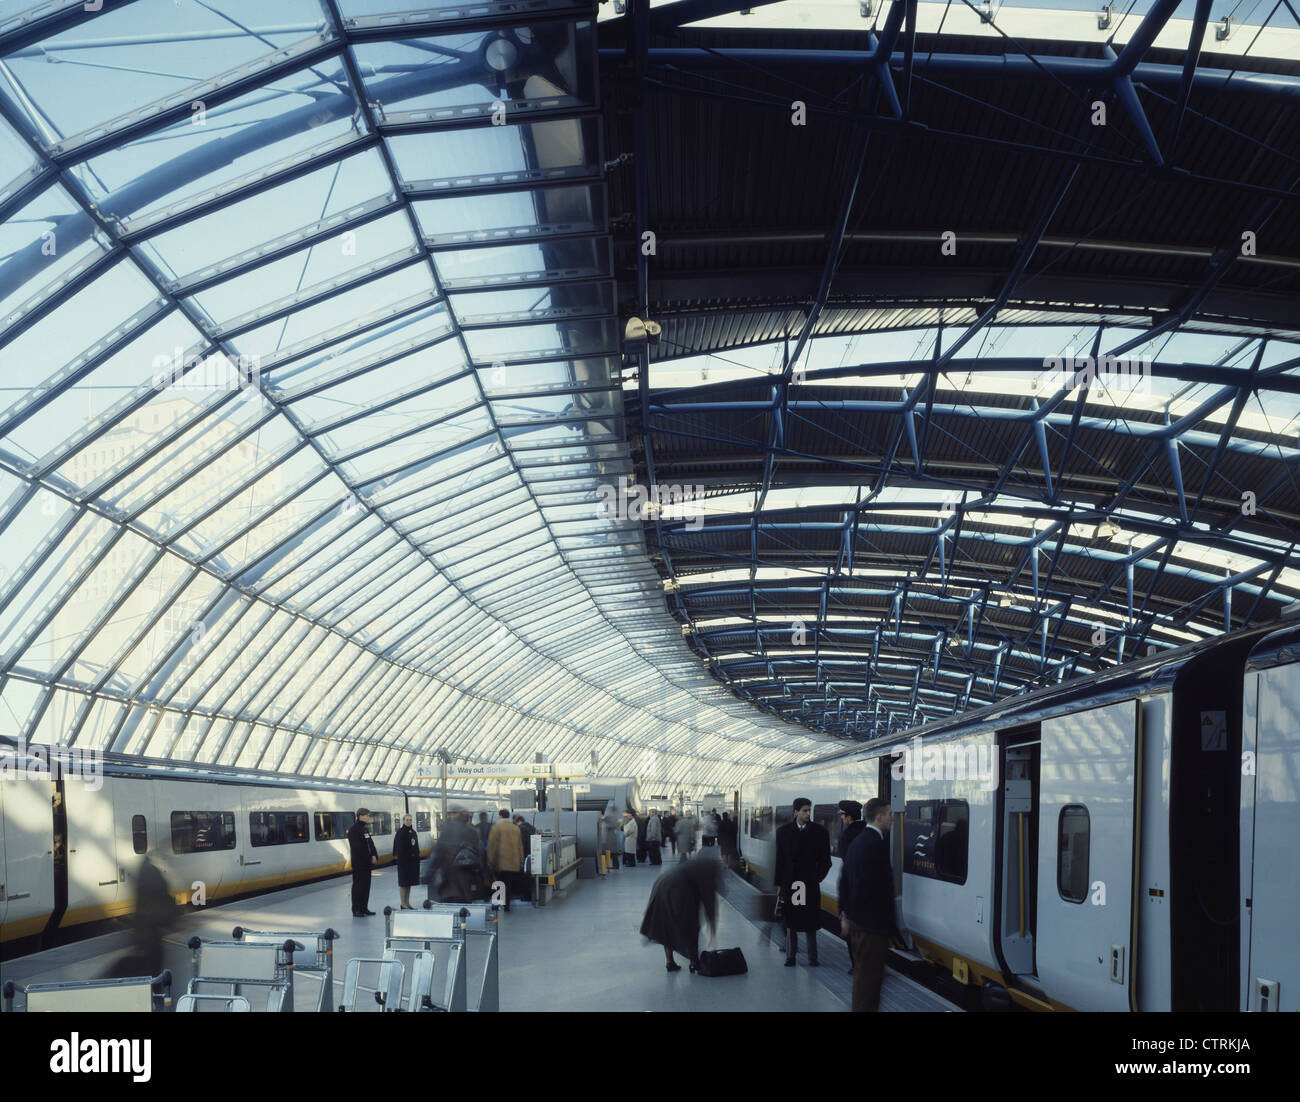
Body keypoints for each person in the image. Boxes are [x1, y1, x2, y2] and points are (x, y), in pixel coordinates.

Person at [840, 798, 898, 1011]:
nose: (893, 818)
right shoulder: (874, 844)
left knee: (866, 983)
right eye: (890, 813)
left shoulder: (858, 842)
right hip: (871, 927)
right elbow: (870, 888)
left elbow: (844, 880)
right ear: (879, 816)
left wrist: (846, 914)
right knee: (869, 986)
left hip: (863, 925)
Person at [640, 848, 723, 972]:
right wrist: (713, 933)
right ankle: (694, 962)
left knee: (666, 923)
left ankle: (670, 962)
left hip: (663, 882)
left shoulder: (698, 863)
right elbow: (708, 900)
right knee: (691, 924)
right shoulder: (711, 868)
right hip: (678, 887)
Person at [773, 797, 831, 966]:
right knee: (791, 920)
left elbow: (826, 861)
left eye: (809, 810)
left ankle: (813, 957)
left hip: (809, 883)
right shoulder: (783, 832)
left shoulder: (820, 833)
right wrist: (779, 884)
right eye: (805, 810)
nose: (808, 814)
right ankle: (791, 956)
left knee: (810, 921)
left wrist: (816, 877)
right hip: (791, 883)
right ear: (796, 812)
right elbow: (780, 860)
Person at [835, 800, 867, 972]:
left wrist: (843, 907)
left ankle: (857, 966)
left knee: (853, 934)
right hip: (869, 892)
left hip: (853, 892)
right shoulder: (869, 832)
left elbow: (847, 869)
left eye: (842, 815)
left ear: (847, 817)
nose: (841, 818)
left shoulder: (846, 837)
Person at [424, 809, 481, 904]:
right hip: (467, 878)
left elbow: (437, 853)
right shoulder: (472, 831)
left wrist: (429, 874)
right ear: (467, 819)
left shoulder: (448, 830)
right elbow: (478, 853)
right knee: (465, 906)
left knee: (450, 905)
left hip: (449, 877)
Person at [487, 809, 524, 912]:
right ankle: (507, 906)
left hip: (500, 862)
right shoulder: (515, 828)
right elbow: (520, 846)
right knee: (508, 884)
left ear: (499, 816)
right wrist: (521, 861)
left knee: (498, 883)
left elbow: (492, 845)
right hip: (513, 862)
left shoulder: (496, 827)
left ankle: (496, 904)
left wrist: (490, 860)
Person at [347, 808, 379, 917]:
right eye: (367, 815)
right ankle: (356, 909)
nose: (368, 817)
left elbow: (370, 843)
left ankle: (364, 908)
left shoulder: (365, 829)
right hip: (359, 864)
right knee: (358, 887)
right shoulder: (353, 830)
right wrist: (370, 857)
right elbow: (357, 848)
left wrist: (374, 855)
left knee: (366, 886)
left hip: (366, 864)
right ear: (360, 815)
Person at [393, 813, 421, 909]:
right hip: (404, 863)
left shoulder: (413, 832)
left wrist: (417, 858)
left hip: (412, 863)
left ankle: (407, 903)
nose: (408, 821)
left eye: (410, 820)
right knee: (403, 883)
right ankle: (402, 903)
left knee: (409, 883)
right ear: (403, 821)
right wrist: (401, 860)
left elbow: (416, 846)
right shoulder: (400, 832)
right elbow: (398, 848)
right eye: (407, 820)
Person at [604, 803, 622, 869]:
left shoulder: (612, 817)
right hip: (613, 837)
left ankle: (615, 865)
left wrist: (605, 825)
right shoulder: (615, 817)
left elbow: (612, 825)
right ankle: (614, 865)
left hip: (611, 837)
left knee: (613, 853)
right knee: (613, 852)